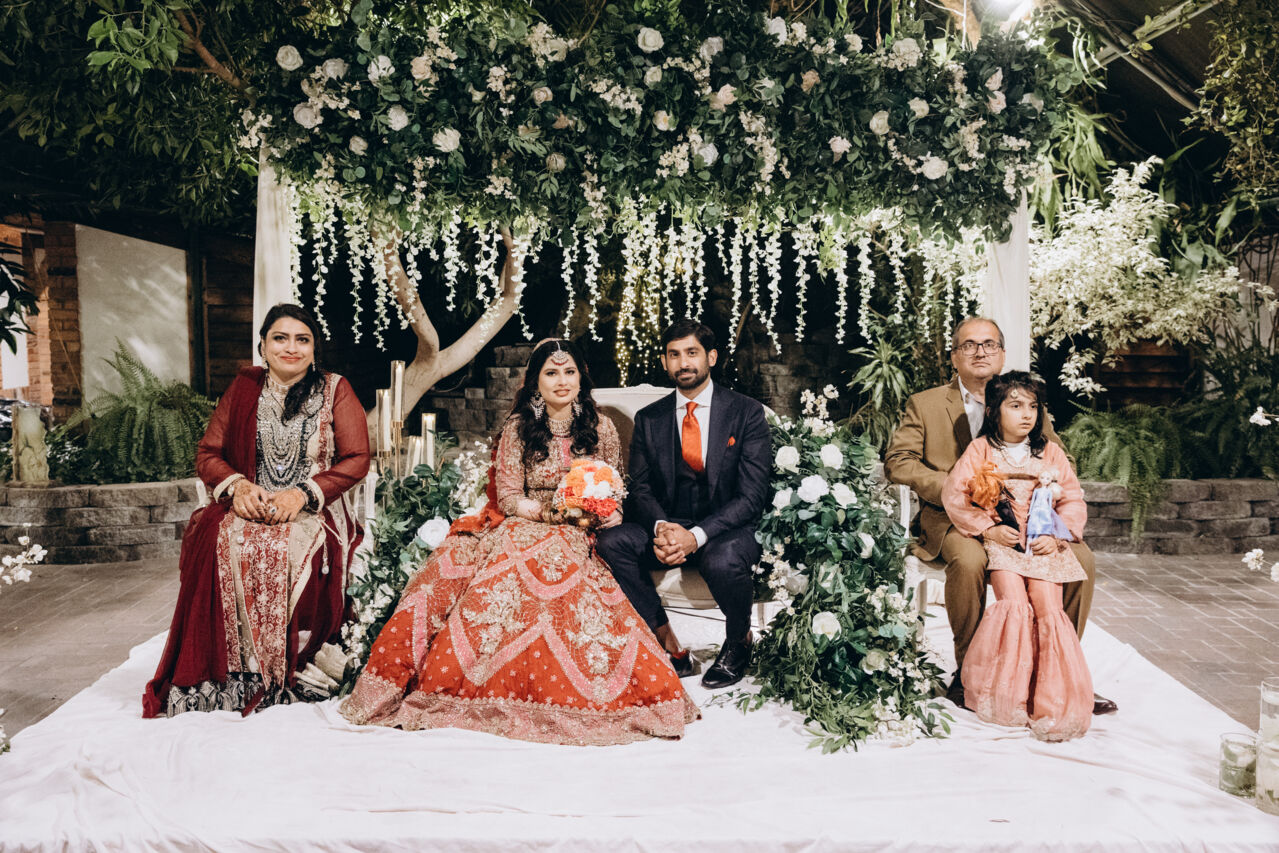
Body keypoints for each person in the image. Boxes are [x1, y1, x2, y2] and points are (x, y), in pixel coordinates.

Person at [340, 338, 698, 745]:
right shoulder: (518, 428)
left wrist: (600, 510)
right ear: (535, 382)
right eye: (551, 373)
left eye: (569, 372)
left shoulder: (600, 427)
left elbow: (613, 485)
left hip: (579, 529)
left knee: (561, 567)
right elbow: (509, 497)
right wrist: (549, 514)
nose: (562, 381)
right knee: (475, 569)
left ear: (581, 377)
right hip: (526, 520)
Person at [143, 303, 370, 717]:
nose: (291, 348)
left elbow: (357, 458)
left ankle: (284, 667)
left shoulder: (335, 389)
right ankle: (235, 672)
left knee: (286, 547)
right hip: (250, 503)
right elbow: (208, 453)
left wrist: (302, 494)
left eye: (302, 340)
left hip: (312, 508)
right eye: (280, 338)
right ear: (263, 346)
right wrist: (239, 487)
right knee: (225, 540)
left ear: (314, 348)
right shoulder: (245, 388)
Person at [884, 316, 1115, 715]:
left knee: (1082, 559)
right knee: (969, 559)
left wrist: (1044, 494)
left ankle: (1059, 675)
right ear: (954, 356)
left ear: (1002, 353)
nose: (980, 352)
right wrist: (962, 487)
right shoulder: (925, 404)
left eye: (989, 344)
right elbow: (898, 461)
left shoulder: (1024, 400)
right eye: (969, 345)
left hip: (1026, 518)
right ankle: (970, 675)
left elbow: (1059, 458)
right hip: (955, 517)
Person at [595, 320, 771, 689]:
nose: (683, 363)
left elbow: (751, 497)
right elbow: (640, 488)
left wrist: (697, 536)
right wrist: (662, 528)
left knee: (720, 559)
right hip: (670, 527)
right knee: (612, 542)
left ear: (711, 357)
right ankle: (668, 644)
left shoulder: (746, 412)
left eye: (692, 353)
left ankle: (738, 641)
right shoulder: (650, 418)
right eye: (674, 355)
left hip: (726, 530)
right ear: (664, 362)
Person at [941, 372, 1093, 741]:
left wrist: (1056, 534)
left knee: (1047, 604)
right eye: (1015, 406)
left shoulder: (1050, 452)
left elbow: (1072, 498)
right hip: (1005, 544)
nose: (1026, 414)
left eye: (1033, 407)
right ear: (993, 411)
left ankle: (1050, 697)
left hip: (1041, 542)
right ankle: (1008, 695)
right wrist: (987, 529)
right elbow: (955, 494)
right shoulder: (981, 450)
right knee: (1014, 604)